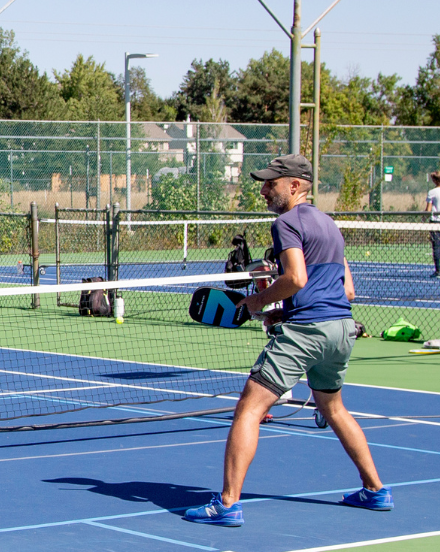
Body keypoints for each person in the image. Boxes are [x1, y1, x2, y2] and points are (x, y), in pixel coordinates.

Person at [184, 155, 391, 527]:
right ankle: (375, 490)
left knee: (249, 407)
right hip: (341, 328)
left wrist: (257, 302)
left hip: (309, 332)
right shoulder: (330, 225)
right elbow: (347, 290)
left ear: (294, 186)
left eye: (270, 184)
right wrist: (289, 311)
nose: (263, 190)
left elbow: (295, 278)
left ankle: (228, 504)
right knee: (334, 409)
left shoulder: (286, 223)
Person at [425, 171, 440, 278]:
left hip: (435, 222)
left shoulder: (432, 192)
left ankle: (438, 271)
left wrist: (423, 219)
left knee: (436, 246)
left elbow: (428, 210)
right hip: (435, 222)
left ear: (435, 180)